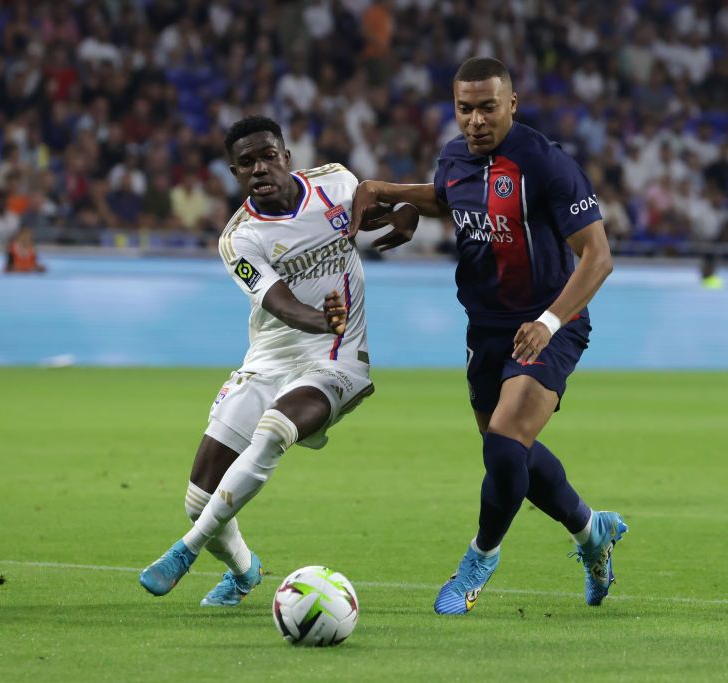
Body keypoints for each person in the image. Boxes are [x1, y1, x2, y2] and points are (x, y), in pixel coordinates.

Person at [349, 57, 627, 614]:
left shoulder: (547, 165)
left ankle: (480, 559)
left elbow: (598, 257)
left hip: (550, 323)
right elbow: (447, 196)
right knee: (507, 454)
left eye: (487, 108)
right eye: (465, 108)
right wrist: (395, 198)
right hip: (486, 328)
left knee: (504, 440)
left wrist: (549, 324)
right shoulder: (455, 158)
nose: (475, 120)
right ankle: (590, 531)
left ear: (512, 105)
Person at [138, 116, 378, 606]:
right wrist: (318, 318)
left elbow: (375, 203)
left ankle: (186, 552)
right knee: (198, 499)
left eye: (268, 155)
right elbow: (280, 304)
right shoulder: (240, 238)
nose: (260, 167)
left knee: (274, 430)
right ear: (234, 173)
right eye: (247, 162)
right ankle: (245, 572)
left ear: (287, 156)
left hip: (338, 357)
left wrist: (404, 214)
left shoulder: (336, 182)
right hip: (271, 358)